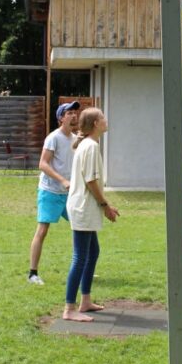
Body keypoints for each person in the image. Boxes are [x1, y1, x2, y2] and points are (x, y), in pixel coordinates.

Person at [62, 107, 119, 322]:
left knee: (93, 252)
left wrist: (105, 206)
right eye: (102, 117)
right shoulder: (91, 147)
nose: (106, 120)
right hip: (83, 207)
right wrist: (106, 206)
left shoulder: (87, 145)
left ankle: (85, 301)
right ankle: (69, 309)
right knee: (80, 257)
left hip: (83, 206)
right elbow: (91, 181)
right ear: (96, 123)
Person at [28, 100, 80, 285]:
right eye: (69, 113)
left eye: (75, 112)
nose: (74, 115)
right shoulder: (53, 137)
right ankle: (33, 274)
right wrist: (63, 180)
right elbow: (42, 164)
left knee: (80, 227)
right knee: (42, 231)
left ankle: (79, 267)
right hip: (50, 191)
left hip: (68, 193)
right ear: (61, 118)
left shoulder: (75, 139)